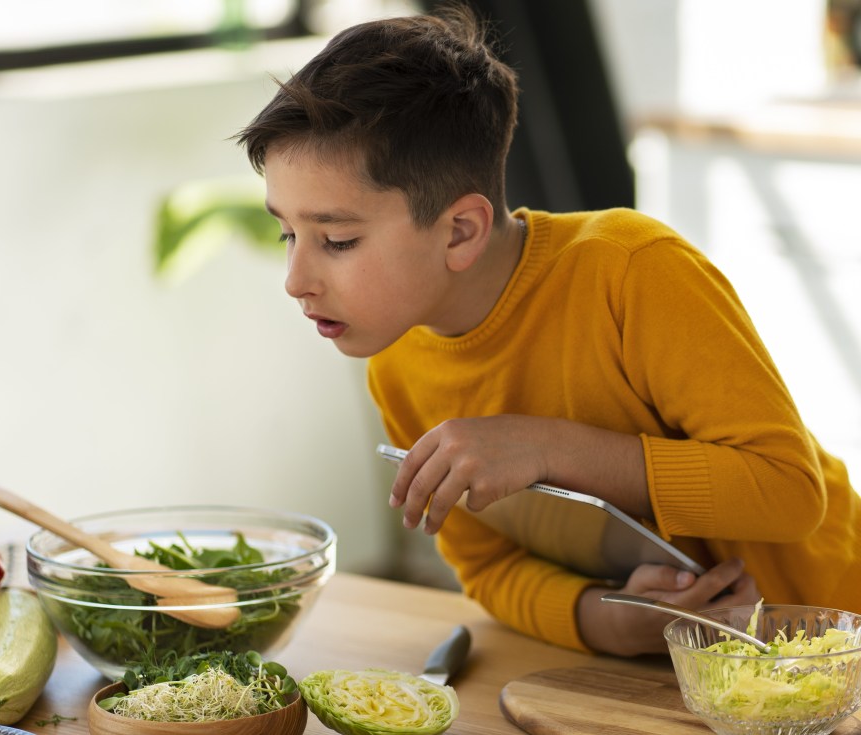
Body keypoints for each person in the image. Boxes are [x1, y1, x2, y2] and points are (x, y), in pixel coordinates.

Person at [236, 4, 859, 656]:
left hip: (836, 637)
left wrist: (546, 447)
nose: (295, 277)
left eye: (336, 239)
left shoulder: (633, 271)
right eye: (288, 231)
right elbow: (488, 567)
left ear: (461, 230)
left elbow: (788, 491)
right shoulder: (399, 366)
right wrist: (604, 619)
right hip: (692, 674)